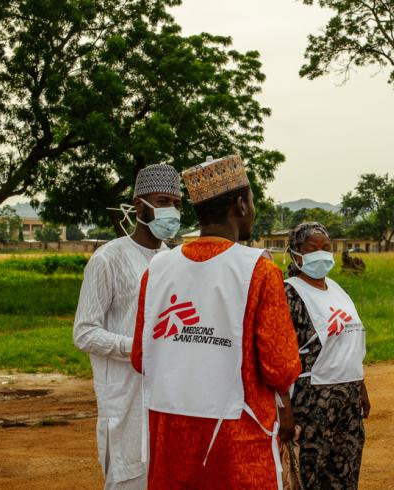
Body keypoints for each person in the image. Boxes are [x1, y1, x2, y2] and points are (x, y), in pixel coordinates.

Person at [131, 155, 301, 489]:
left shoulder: (158, 269)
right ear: (240, 205)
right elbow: (280, 368)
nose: (252, 208)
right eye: (251, 200)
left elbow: (141, 358)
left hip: (171, 446)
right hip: (237, 450)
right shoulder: (259, 270)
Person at [73, 163, 182, 489]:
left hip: (170, 400)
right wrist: (136, 347)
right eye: (163, 201)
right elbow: (84, 332)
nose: (172, 212)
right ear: (138, 206)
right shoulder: (108, 259)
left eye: (177, 204)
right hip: (125, 401)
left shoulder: (176, 262)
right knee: (128, 480)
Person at [282, 222, 370, 489]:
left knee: (345, 470)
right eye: (312, 249)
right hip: (313, 400)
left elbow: (349, 343)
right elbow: (281, 353)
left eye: (326, 248)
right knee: (309, 474)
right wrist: (284, 406)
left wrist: (361, 386)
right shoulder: (289, 292)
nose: (321, 254)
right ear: (295, 253)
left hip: (348, 397)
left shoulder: (337, 289)